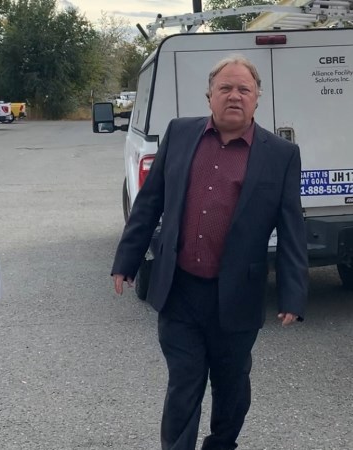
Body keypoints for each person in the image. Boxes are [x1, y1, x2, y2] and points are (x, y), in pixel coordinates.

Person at [111, 54, 308, 450]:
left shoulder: (280, 155)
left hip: (237, 294)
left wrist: (292, 293)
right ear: (209, 96)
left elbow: (291, 229)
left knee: (232, 385)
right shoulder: (180, 134)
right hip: (181, 289)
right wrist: (127, 261)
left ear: (257, 99)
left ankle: (221, 443)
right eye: (225, 88)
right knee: (184, 381)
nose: (234, 96)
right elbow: (150, 203)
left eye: (243, 90)